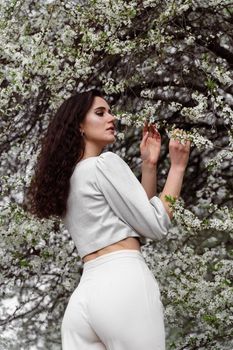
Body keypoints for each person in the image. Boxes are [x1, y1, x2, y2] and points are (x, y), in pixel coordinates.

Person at [26, 89, 191, 350]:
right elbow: (156, 225)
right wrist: (178, 167)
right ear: (79, 125)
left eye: (110, 112)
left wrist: (149, 165)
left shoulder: (67, 183)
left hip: (85, 298)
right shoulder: (103, 164)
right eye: (100, 113)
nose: (111, 118)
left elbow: (136, 219)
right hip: (123, 283)